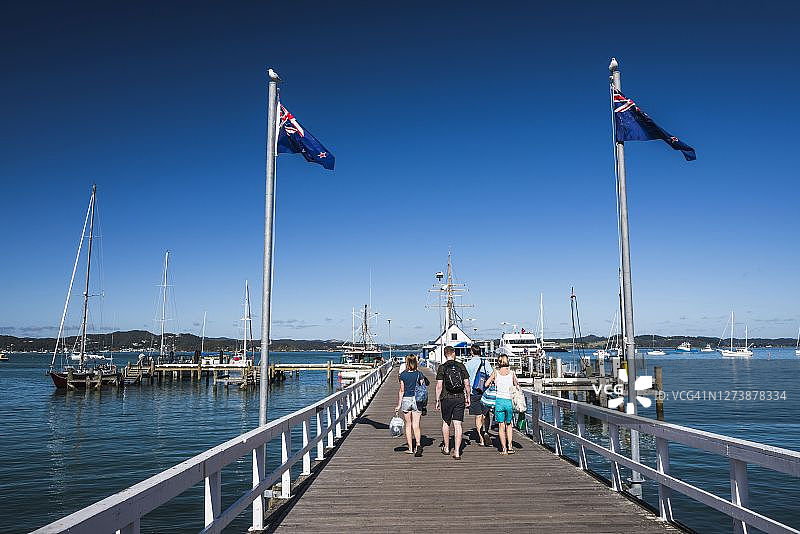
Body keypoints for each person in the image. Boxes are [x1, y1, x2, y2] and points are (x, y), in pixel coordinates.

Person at [435, 346, 470, 459]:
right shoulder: (461, 366)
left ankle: (446, 447)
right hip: (459, 397)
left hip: (446, 398)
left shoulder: (442, 367)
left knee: (446, 422)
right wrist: (468, 397)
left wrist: (437, 400)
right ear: (453, 353)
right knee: (458, 424)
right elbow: (467, 384)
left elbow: (439, 386)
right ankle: (457, 452)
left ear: (445, 354)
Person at [484, 353, 519, 455]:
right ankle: (510, 447)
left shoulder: (496, 372)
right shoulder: (512, 373)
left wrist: (492, 383)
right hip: (509, 401)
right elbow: (517, 386)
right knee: (509, 425)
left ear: (499, 362)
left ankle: (503, 449)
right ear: (507, 361)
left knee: (501, 426)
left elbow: (486, 384)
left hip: (499, 401)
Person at [395, 354, 428, 457]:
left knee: (408, 425)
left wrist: (398, 405)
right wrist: (424, 404)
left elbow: (401, 390)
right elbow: (423, 390)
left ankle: (410, 448)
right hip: (417, 400)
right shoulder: (419, 374)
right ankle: (418, 444)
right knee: (416, 425)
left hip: (406, 400)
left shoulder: (403, 375)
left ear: (407, 362)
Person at [464, 343, 493, 446]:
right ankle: (485, 432)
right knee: (486, 414)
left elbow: (465, 381)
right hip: (485, 392)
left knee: (478, 416)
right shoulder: (485, 362)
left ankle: (481, 439)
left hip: (473, 392)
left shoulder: (467, 364)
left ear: (472, 352)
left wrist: (466, 395)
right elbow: (492, 375)